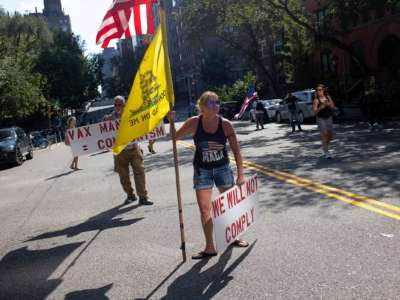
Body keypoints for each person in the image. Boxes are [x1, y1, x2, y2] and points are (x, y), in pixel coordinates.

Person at [168, 91, 249, 260]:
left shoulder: (225, 124)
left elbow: (236, 151)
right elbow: (174, 137)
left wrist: (241, 175)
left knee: (229, 205)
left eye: (218, 102)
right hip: (202, 171)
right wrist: (171, 121)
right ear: (203, 106)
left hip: (223, 169)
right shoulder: (194, 123)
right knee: (205, 210)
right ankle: (210, 247)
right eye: (212, 103)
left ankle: (233, 237)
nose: (217, 105)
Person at [105, 96, 153, 206]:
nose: (117, 107)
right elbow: (101, 133)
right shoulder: (109, 119)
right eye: (115, 105)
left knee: (139, 171)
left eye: (120, 105)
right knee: (123, 176)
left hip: (134, 149)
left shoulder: (132, 115)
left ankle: (143, 197)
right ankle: (130, 195)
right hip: (120, 152)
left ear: (124, 105)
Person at [312, 84, 336, 159]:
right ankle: (326, 152)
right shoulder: (316, 100)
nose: (318, 91)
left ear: (323, 90)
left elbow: (333, 107)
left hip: (329, 118)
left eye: (320, 90)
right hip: (320, 119)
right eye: (317, 90)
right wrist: (321, 108)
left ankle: (325, 147)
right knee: (324, 134)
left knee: (330, 136)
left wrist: (328, 104)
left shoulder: (328, 97)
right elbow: (314, 112)